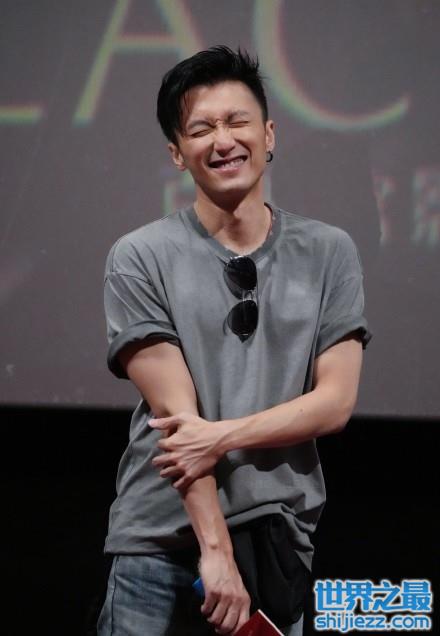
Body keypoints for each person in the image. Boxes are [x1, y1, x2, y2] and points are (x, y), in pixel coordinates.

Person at [97, 46, 371, 636]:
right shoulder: (139, 256)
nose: (223, 140)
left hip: (274, 544)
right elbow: (178, 426)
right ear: (177, 153)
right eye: (201, 129)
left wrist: (222, 436)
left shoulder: (329, 252)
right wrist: (215, 551)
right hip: (158, 545)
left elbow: (335, 403)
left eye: (237, 121)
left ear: (268, 135)